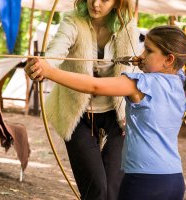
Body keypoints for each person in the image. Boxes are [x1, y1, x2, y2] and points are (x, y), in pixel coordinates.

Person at [25, 25, 186, 200]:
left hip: (143, 181)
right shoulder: (181, 83)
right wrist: (142, 61)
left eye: (148, 51)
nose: (142, 55)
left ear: (169, 59)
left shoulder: (141, 84)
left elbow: (94, 86)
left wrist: (49, 71)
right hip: (174, 180)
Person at [29, 0, 140, 199]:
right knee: (96, 190)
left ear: (117, 3)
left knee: (114, 191)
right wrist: (42, 67)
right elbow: (55, 52)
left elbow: (133, 70)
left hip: (118, 115)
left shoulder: (127, 25)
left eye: (105, 0)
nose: (95, 3)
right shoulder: (72, 21)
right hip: (77, 114)